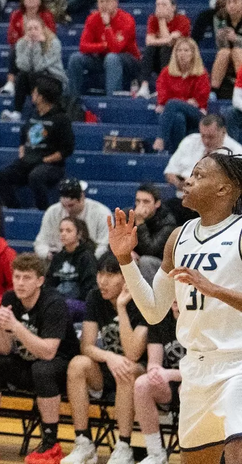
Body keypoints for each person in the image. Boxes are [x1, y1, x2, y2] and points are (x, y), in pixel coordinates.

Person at [110, 149, 242, 464]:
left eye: (198, 175)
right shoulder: (177, 237)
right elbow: (155, 310)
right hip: (195, 367)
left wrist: (216, 290)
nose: (187, 181)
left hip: (238, 364)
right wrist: (125, 259)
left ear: (224, 189)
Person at [0, 254, 80, 464]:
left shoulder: (53, 303)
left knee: (42, 369)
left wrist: (16, 326)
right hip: (26, 361)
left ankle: (50, 442)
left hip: (60, 366)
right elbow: (3, 349)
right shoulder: (9, 299)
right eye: (17, 277)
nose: (20, 283)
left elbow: (48, 352)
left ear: (40, 281)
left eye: (27, 278)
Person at [62, 253, 149, 464]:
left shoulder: (144, 300)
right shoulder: (94, 297)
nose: (102, 280)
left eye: (110, 275)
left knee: (126, 368)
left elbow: (133, 353)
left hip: (139, 372)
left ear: (127, 277)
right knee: (77, 364)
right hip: (108, 368)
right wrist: (109, 356)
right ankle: (84, 443)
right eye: (100, 274)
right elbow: (87, 346)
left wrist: (121, 307)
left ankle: (124, 446)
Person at [0, 78, 76, 210]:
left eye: (35, 92)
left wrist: (45, 159)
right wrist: (22, 153)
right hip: (28, 161)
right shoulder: (33, 114)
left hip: (51, 165)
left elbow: (67, 149)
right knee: (1, 176)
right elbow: (23, 136)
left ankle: (42, 211)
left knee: (36, 177)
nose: (32, 94)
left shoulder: (61, 119)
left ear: (42, 97)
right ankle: (14, 210)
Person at [132, 302, 184, 464]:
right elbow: (153, 363)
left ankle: (191, 453)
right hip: (170, 381)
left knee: (187, 389)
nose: (175, 298)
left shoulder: (199, 319)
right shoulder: (159, 318)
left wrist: (168, 374)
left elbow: (204, 370)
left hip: (198, 381)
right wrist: (155, 372)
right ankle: (155, 453)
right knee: (142, 384)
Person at [66, 0, 140, 101]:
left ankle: (112, 101)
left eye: (108, 1)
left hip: (128, 60)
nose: (104, 5)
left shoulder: (127, 20)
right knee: (75, 58)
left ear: (116, 3)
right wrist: (104, 46)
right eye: (101, 2)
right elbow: (83, 46)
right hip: (102, 57)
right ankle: (72, 101)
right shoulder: (92, 19)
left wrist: (107, 25)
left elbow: (116, 49)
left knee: (111, 58)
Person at [2, 0, 59, 102]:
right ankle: (10, 82)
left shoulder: (46, 15)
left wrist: (37, 38)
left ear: (39, 1)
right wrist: (25, 40)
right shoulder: (16, 15)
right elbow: (11, 37)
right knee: (15, 49)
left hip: (42, 47)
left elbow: (51, 36)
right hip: (24, 47)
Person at [153, 37, 210, 153]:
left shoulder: (201, 73)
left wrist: (178, 102)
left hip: (196, 114)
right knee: (178, 117)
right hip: (173, 113)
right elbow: (162, 95)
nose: (182, 54)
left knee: (173, 103)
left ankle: (161, 138)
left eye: (186, 50)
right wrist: (184, 102)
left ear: (193, 53)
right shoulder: (166, 72)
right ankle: (177, 154)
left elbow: (201, 99)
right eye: (179, 50)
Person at [33, 178, 113, 259]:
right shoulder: (52, 212)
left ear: (82, 197)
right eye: (64, 206)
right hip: (58, 260)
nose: (68, 210)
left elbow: (105, 245)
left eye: (71, 205)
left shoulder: (102, 213)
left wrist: (87, 260)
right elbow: (40, 243)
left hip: (91, 261)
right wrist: (49, 255)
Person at [5, 17, 68, 121]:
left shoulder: (54, 43)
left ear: (43, 29)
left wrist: (37, 46)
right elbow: (22, 66)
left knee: (34, 75)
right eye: (29, 29)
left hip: (54, 79)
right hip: (34, 78)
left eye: (36, 28)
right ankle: (17, 112)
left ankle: (39, 113)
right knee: (22, 76)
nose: (32, 32)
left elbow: (39, 66)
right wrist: (28, 48)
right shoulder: (21, 44)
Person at [165, 114, 242, 196]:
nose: (206, 141)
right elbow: (169, 172)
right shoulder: (189, 142)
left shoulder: (236, 152)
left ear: (223, 131)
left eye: (211, 137)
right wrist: (180, 184)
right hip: (183, 198)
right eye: (203, 136)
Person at [139, 0, 193, 99]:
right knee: (150, 49)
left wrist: (161, 21)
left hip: (177, 60)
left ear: (173, 7)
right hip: (157, 60)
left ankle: (164, 88)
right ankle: (144, 86)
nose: (160, 7)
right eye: (158, 4)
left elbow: (170, 42)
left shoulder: (183, 20)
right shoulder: (152, 18)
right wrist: (164, 40)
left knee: (166, 49)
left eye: (164, 4)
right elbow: (149, 41)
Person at [44, 217, 98, 315]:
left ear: (79, 234)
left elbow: (90, 286)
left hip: (80, 303)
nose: (63, 234)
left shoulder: (87, 257)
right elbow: (49, 284)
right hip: (58, 302)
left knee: (64, 307)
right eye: (61, 231)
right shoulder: (57, 257)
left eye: (68, 231)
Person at [133, 183, 178, 263]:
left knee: (145, 261)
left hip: (158, 265)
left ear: (157, 204)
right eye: (138, 201)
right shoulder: (128, 215)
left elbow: (149, 251)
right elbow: (113, 244)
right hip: (135, 259)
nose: (141, 205)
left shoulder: (167, 223)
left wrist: (140, 223)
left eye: (146, 202)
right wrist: (126, 253)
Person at [211, 0, 242, 94]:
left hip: (239, 54)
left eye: (235, 2)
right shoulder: (219, 17)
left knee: (237, 51)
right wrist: (220, 38)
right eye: (229, 2)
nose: (231, 5)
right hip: (227, 56)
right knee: (224, 52)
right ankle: (213, 91)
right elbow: (220, 46)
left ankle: (240, 88)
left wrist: (236, 39)